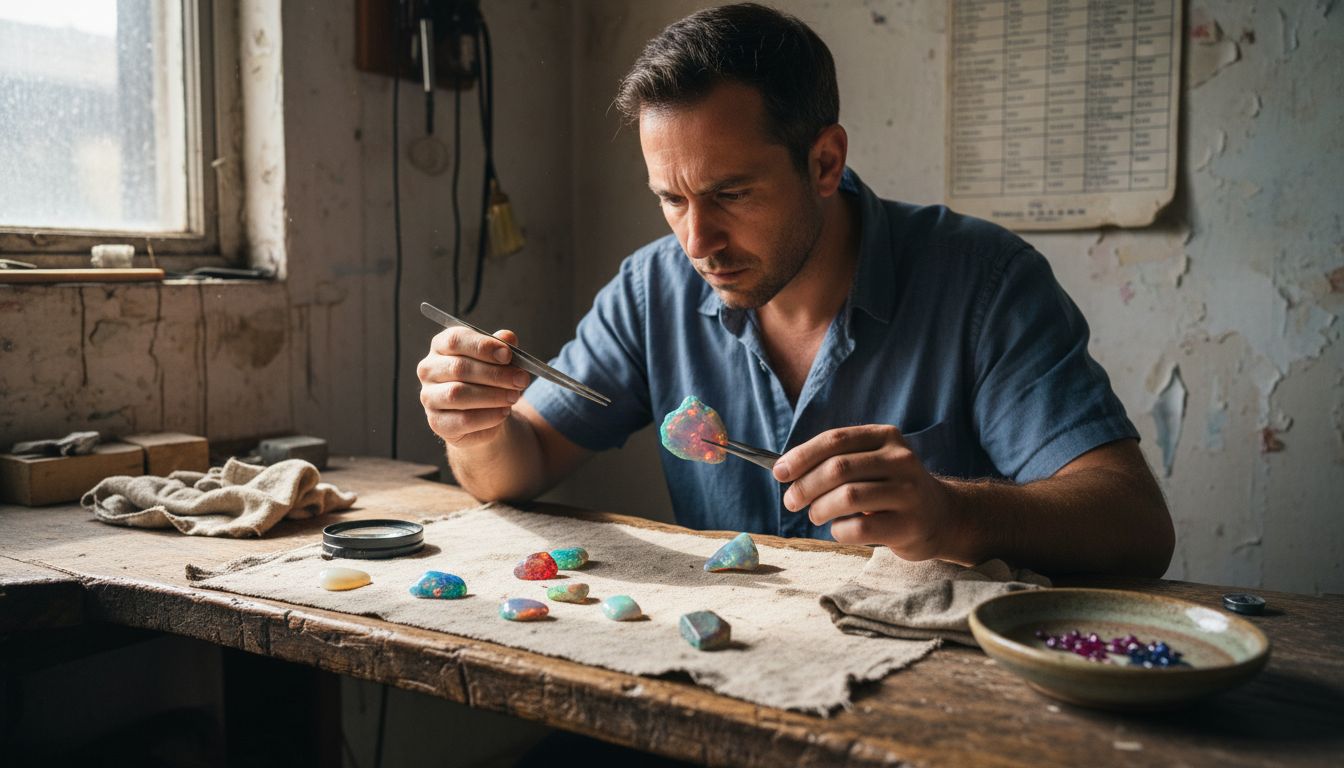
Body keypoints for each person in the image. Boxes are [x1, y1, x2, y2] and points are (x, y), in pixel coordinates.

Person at [417, 3, 1173, 577]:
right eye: (671, 200)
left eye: (731, 194)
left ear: (823, 161)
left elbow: (1135, 526)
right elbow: (515, 470)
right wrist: (476, 426)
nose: (697, 242)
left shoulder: (982, 282)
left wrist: (952, 514)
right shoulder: (653, 290)